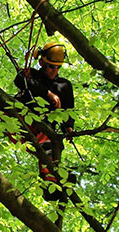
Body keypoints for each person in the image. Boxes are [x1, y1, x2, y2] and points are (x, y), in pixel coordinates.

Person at [13, 42, 75, 201]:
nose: (54, 71)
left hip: (43, 130)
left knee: (50, 146)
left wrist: (69, 128)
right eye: (50, 67)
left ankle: (51, 185)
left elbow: (68, 110)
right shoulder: (31, 75)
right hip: (19, 120)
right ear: (41, 63)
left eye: (57, 68)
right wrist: (47, 94)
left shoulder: (64, 85)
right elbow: (19, 80)